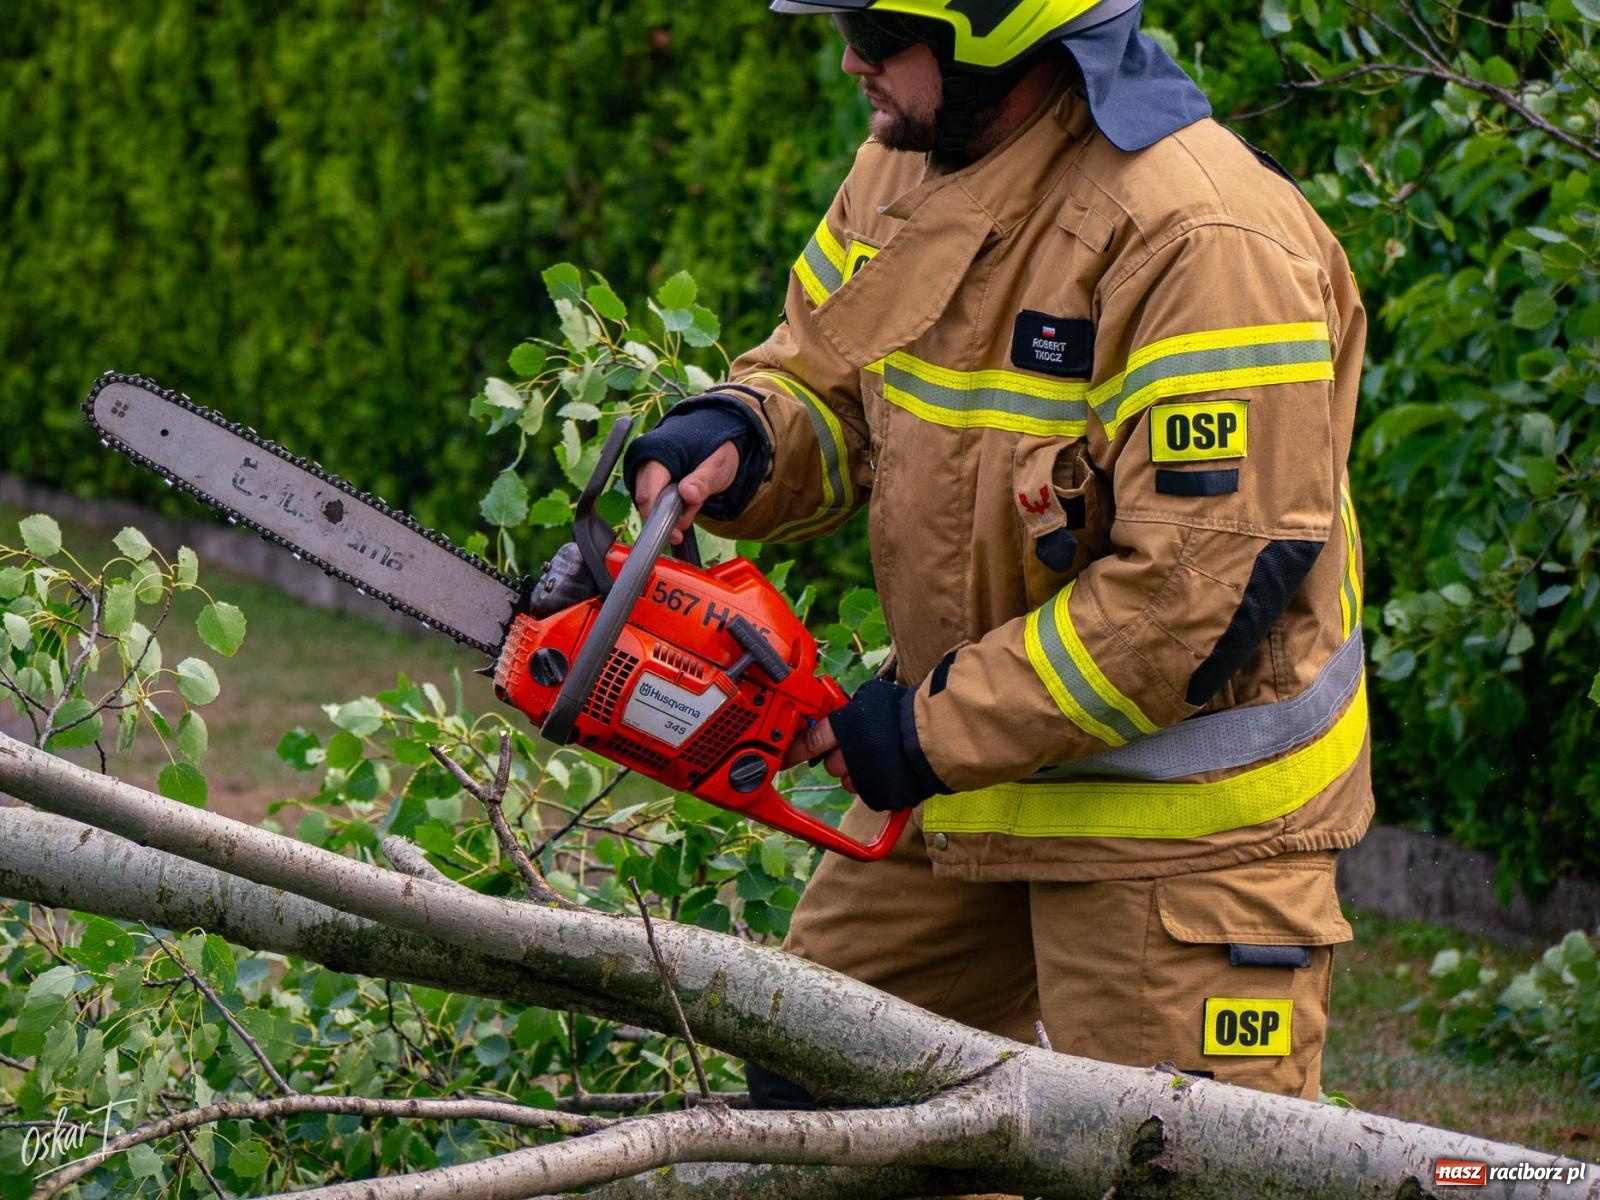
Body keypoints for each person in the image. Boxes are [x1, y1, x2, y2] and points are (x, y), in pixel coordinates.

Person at [627, 0, 1372, 1105]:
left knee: (1155, 1166)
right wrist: (738, 434)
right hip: (976, 775)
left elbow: (1187, 601)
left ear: (996, 26)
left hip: (1181, 823)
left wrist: (919, 733)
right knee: (820, 1085)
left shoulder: (1201, 237)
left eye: (878, 35)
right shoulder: (904, 168)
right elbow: (826, 383)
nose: (850, 62)